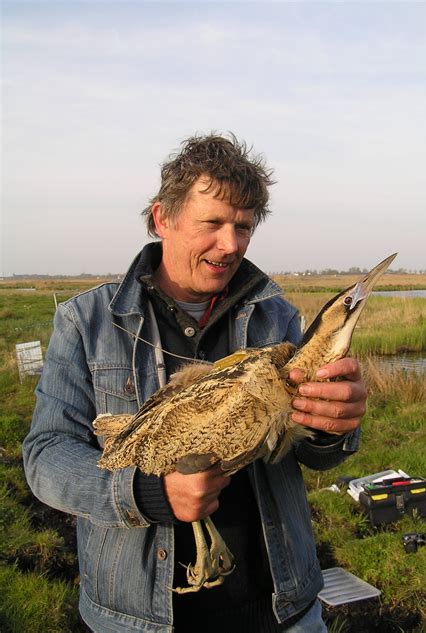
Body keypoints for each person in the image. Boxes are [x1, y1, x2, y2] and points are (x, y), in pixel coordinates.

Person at [23, 134, 367, 633]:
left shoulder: (278, 320)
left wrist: (334, 428)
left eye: (244, 227)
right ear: (163, 218)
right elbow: (45, 458)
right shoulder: (87, 322)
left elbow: (315, 455)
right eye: (213, 223)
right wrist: (149, 493)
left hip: (280, 612)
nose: (231, 245)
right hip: (136, 619)